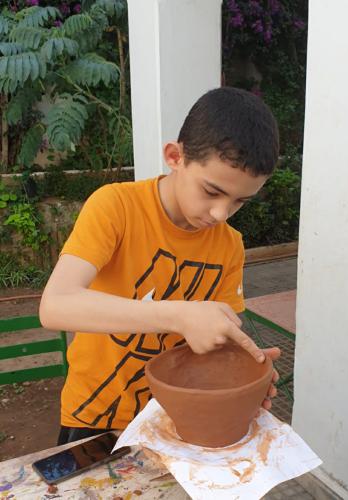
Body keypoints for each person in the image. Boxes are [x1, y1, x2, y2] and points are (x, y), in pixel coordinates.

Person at [39, 87, 281, 445]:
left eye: (239, 202)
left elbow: (211, 340)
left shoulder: (230, 245)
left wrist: (245, 373)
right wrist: (179, 315)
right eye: (212, 192)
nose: (220, 214)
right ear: (175, 156)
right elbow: (55, 306)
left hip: (177, 419)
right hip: (96, 416)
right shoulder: (116, 207)